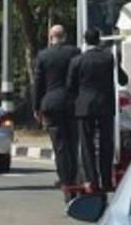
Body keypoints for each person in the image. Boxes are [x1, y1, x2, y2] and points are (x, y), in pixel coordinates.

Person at [68, 29, 128, 193]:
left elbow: (70, 87)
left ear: (85, 41)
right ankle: (106, 179)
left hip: (84, 108)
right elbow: (123, 79)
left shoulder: (77, 61)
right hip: (105, 106)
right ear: (99, 40)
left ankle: (91, 179)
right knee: (106, 144)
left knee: (87, 145)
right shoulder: (108, 58)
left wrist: (77, 102)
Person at [33, 25, 81, 199]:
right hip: (73, 104)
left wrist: (36, 107)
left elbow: (38, 84)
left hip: (51, 104)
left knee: (60, 146)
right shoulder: (75, 52)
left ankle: (66, 182)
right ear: (65, 36)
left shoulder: (43, 55)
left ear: (50, 37)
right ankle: (74, 180)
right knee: (73, 144)